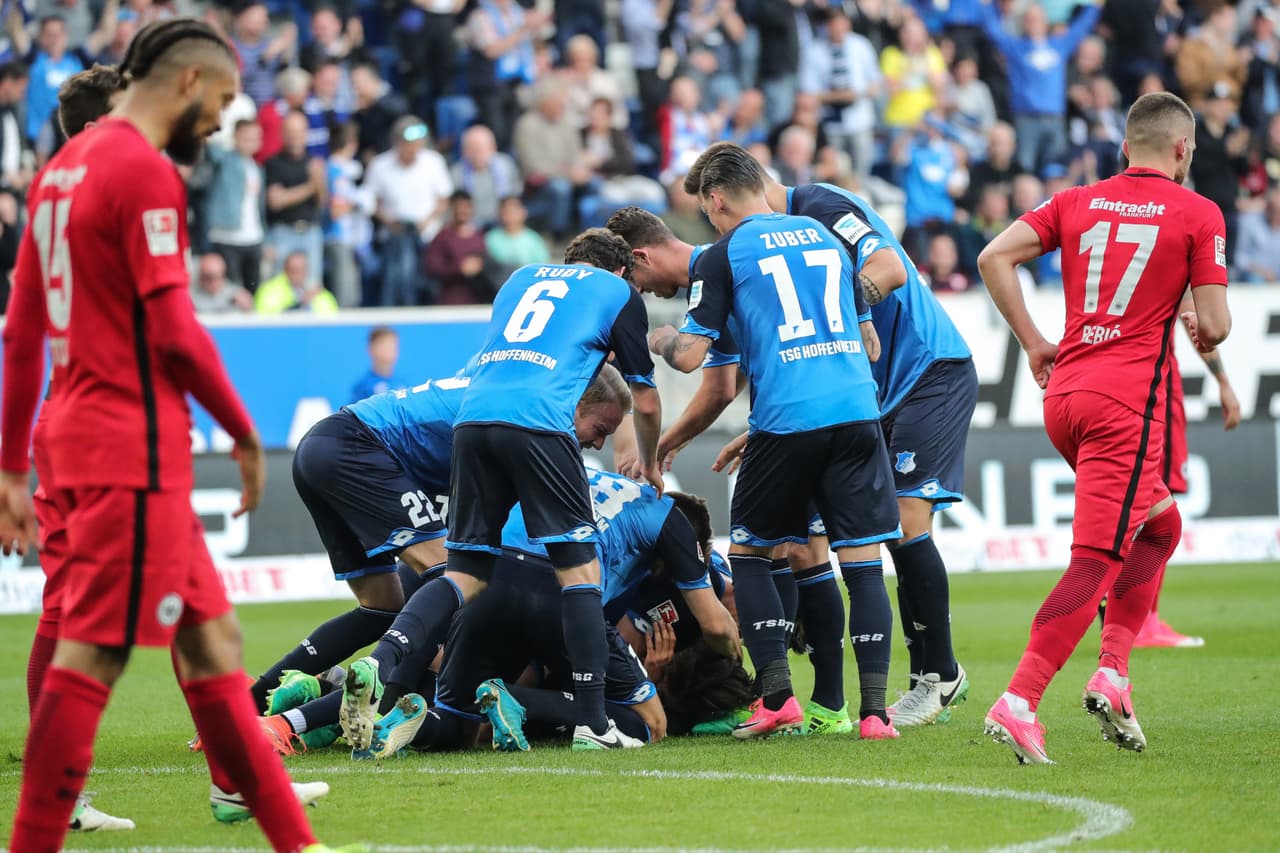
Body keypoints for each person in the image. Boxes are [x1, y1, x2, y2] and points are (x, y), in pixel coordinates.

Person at [0, 18, 354, 853]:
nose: (223, 122)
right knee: (92, 655)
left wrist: (12, 464)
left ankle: (294, 840)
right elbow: (174, 329)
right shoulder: (141, 168)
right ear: (189, 82)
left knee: (213, 644)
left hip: (76, 430)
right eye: (224, 102)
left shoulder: (57, 173)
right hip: (128, 442)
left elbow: (21, 331)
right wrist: (241, 429)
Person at [681, 141, 977, 727]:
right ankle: (880, 695)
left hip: (924, 370)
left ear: (719, 201)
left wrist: (837, 303)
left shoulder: (819, 206)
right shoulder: (783, 239)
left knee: (904, 521)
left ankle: (939, 674)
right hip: (860, 396)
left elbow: (890, 269)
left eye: (709, 215)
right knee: (860, 539)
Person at [337, 228, 665, 753]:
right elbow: (643, 401)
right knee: (579, 573)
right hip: (539, 421)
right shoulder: (617, 293)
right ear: (624, 271)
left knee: (463, 572)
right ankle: (593, 724)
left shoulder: (518, 279)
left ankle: (381, 662)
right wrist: (648, 461)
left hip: (471, 421)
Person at [977, 91, 1232, 764]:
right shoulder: (1198, 212)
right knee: (1096, 559)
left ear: (1125, 146)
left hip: (1065, 397)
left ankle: (1114, 672)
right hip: (1126, 410)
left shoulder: (1076, 200)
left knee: (1160, 526)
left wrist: (1034, 341)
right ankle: (1020, 700)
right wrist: (1193, 307)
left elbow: (993, 257)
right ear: (1182, 148)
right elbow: (1215, 325)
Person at [647, 145, 902, 739]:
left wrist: (659, 338)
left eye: (706, 210)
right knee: (862, 562)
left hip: (789, 420)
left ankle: (779, 697)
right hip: (857, 414)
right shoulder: (827, 240)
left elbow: (690, 358)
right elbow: (871, 345)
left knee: (750, 554)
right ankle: (874, 714)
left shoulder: (723, 255)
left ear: (716, 201)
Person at [363, 115, 453, 305]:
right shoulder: (380, 165)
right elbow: (371, 202)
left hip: (428, 236)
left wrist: (426, 222)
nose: (413, 149)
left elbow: (443, 200)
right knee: (398, 273)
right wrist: (389, 221)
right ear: (397, 143)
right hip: (394, 236)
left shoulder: (433, 161)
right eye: (408, 144)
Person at [207, 118, 266, 292]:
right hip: (226, 236)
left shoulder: (256, 168)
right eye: (246, 137)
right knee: (231, 291)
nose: (251, 141)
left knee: (253, 289)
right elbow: (211, 149)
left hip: (253, 237)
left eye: (255, 137)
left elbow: (259, 206)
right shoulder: (225, 160)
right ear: (235, 137)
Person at [255, 250, 339, 314]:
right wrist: (300, 304)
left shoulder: (319, 293)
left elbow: (332, 320)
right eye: (293, 270)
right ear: (285, 270)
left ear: (306, 271)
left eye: (300, 270)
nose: (297, 275)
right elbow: (268, 320)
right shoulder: (270, 290)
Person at [350, 326, 407, 402]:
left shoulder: (402, 383)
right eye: (384, 347)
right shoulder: (363, 386)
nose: (389, 351)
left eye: (392, 347)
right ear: (371, 349)